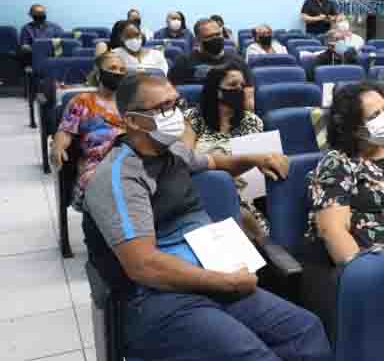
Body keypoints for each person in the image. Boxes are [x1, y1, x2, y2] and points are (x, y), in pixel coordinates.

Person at [82, 74, 331, 361]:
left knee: (305, 331)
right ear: (133, 121)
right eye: (162, 108)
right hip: (158, 298)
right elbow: (144, 266)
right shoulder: (120, 177)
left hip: (210, 272)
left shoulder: (170, 150)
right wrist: (227, 283)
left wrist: (254, 159)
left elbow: (212, 162)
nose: (174, 114)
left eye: (176, 104)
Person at [301, 82, 384, 338]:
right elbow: (332, 231)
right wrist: (371, 279)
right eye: (375, 116)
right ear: (354, 128)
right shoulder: (338, 163)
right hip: (364, 265)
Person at [182, 61, 273, 242]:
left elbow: (254, 174)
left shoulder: (252, 121)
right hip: (200, 194)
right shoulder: (193, 117)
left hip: (242, 197)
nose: (239, 89)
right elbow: (186, 159)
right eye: (233, 85)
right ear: (217, 90)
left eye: (242, 85)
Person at [50, 52, 126, 211]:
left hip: (130, 163)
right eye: (112, 68)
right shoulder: (83, 101)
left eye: (122, 70)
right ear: (99, 73)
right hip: (97, 167)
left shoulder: (132, 101)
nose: (118, 73)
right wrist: (58, 147)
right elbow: (65, 131)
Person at [169, 18, 255, 109]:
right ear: (198, 40)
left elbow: (248, 95)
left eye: (218, 34)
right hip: (195, 113)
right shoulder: (183, 62)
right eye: (209, 36)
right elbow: (172, 94)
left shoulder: (237, 61)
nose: (215, 39)